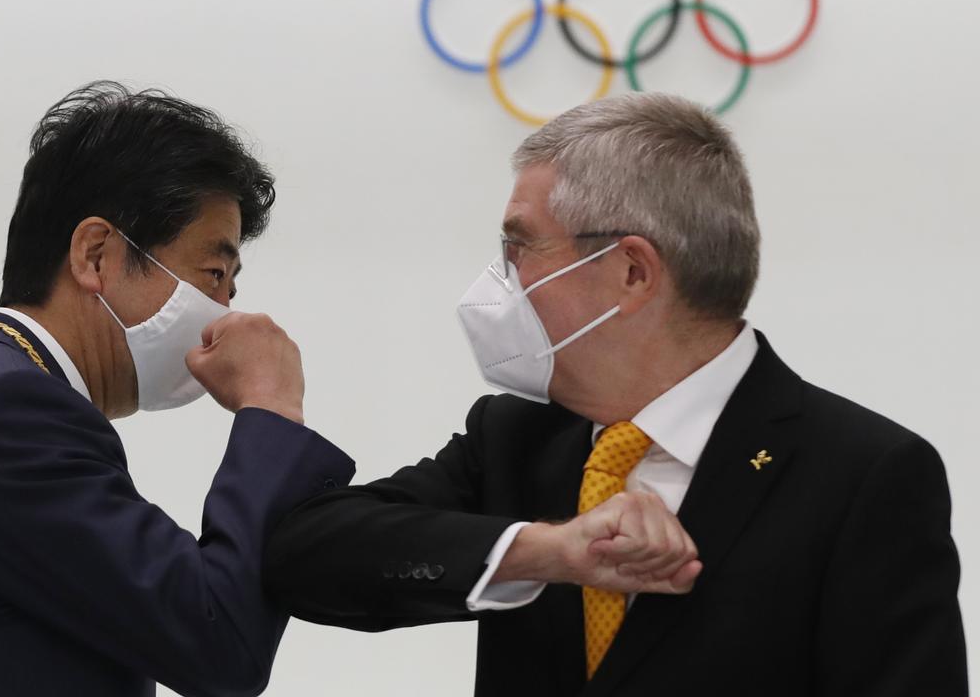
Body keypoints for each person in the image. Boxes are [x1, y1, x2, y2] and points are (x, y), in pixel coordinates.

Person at [264, 93, 968, 696]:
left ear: (631, 272)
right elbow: (300, 555)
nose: (501, 282)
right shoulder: (518, 435)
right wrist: (542, 551)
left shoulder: (864, 473)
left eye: (520, 249)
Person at [0, 81, 357, 697]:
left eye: (231, 287)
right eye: (213, 274)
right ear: (96, 255)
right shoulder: (5, 411)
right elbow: (216, 639)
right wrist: (272, 408)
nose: (226, 314)